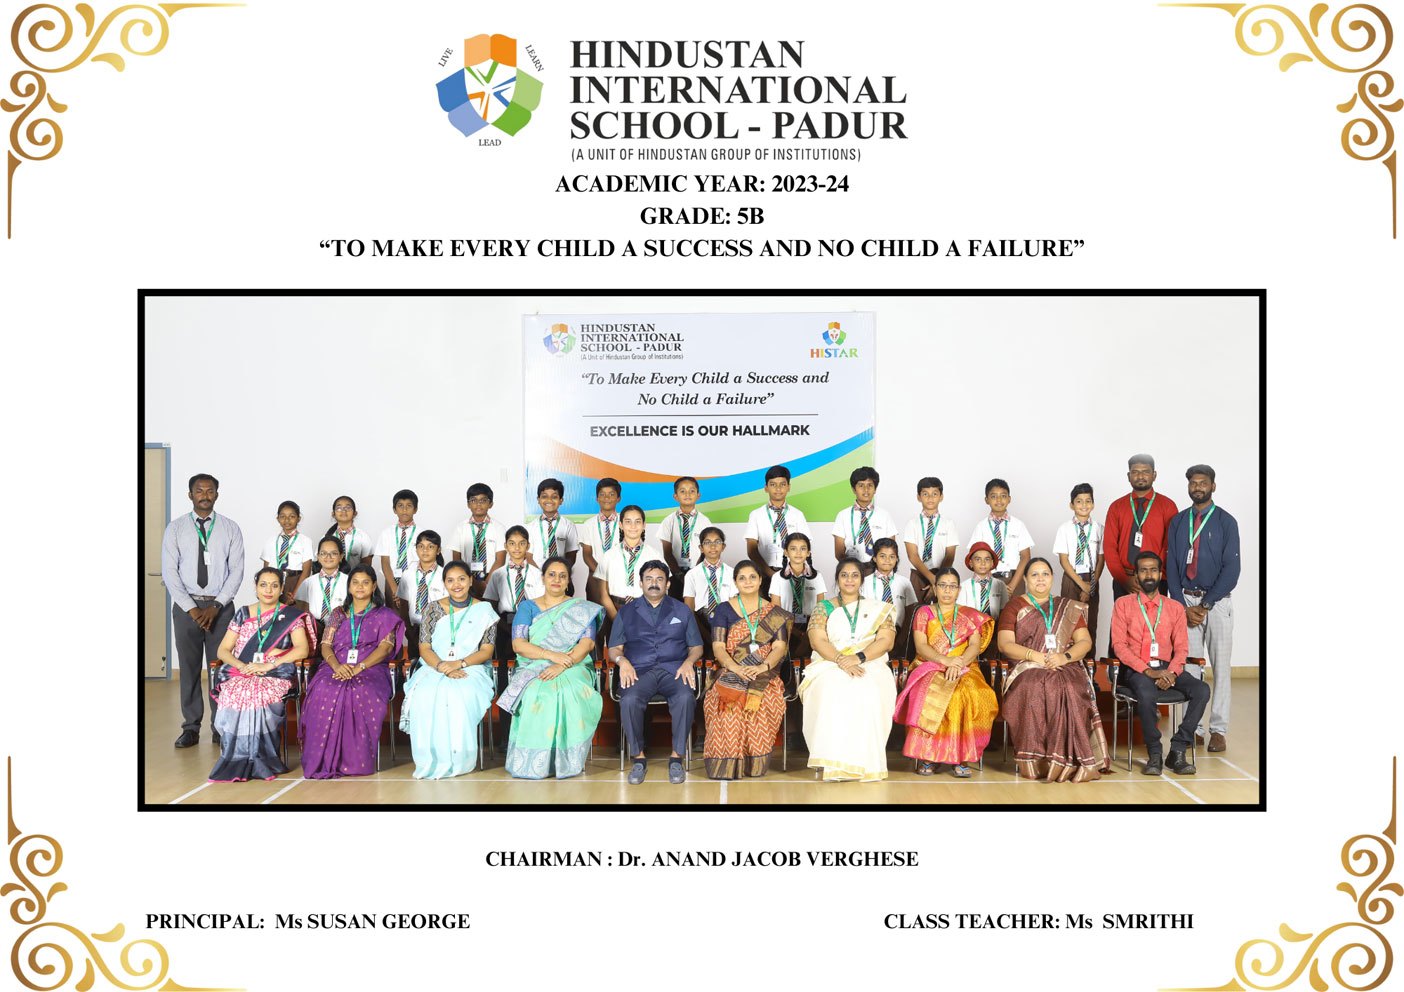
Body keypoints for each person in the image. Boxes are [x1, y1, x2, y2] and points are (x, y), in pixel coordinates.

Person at [996, 558, 1108, 782]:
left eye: (1045, 574)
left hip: (1064, 664)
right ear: (1025, 579)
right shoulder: (1014, 606)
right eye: (1034, 574)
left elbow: (1085, 642)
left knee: (1070, 687)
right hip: (1027, 665)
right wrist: (1035, 656)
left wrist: (1064, 658)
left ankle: (1073, 760)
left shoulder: (1067, 606)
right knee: (1033, 686)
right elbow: (1004, 644)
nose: (1040, 579)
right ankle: (1035, 761)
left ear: (1052, 578)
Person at [160, 473, 245, 748]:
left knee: (221, 668)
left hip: (221, 609)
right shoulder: (175, 529)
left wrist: (217, 605)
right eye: (199, 491)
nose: (205, 495)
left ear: (217, 495)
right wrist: (192, 609)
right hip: (187, 608)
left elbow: (237, 571)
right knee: (189, 668)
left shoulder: (230, 528)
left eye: (210, 491)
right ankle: (191, 727)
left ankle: (221, 726)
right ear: (190, 495)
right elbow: (170, 572)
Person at [208, 568, 316, 782]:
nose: (269, 590)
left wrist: (269, 665)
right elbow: (223, 650)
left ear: (282, 588)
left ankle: (263, 760)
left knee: (258, 695)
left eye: (274, 585)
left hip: (275, 672)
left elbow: (302, 649)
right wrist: (242, 666)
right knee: (236, 693)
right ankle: (236, 758)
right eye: (263, 585)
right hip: (242, 671)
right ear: (255, 587)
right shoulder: (243, 613)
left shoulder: (290, 615)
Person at [500, 556, 604, 779]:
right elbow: (519, 645)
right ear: (543, 578)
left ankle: (565, 761)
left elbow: (586, 644)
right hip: (534, 664)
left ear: (568, 581)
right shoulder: (527, 607)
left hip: (573, 664)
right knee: (536, 691)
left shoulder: (581, 608)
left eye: (562, 576)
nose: (557, 579)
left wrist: (562, 664)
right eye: (552, 575)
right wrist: (551, 656)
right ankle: (536, 762)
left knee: (569, 689)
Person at [300, 563, 406, 779]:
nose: (360, 586)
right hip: (335, 666)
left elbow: (385, 648)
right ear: (348, 587)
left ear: (374, 586)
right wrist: (337, 666)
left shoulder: (384, 615)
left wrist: (360, 667)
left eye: (365, 582)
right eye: (355, 582)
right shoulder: (338, 614)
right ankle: (322, 760)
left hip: (371, 668)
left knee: (359, 690)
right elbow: (325, 645)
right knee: (323, 688)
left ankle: (355, 760)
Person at [799, 558, 898, 782]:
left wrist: (858, 658)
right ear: (837, 579)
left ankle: (865, 763)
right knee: (832, 687)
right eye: (844, 575)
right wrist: (841, 660)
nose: (849, 580)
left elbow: (886, 640)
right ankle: (833, 762)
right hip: (830, 662)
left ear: (862, 579)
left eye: (855, 575)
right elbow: (817, 640)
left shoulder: (877, 608)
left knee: (869, 688)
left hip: (869, 661)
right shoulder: (824, 607)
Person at [1110, 552, 1208, 775]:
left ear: (1160, 574)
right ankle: (1155, 753)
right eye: (1143, 570)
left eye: (1153, 570)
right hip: (1137, 669)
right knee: (1146, 692)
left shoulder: (1174, 607)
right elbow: (1119, 646)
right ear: (1136, 575)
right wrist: (1147, 671)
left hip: (1167, 667)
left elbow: (1181, 648)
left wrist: (1171, 673)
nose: (1149, 575)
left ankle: (1178, 749)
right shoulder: (1123, 604)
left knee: (1202, 690)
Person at [399, 560, 498, 779]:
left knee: (457, 693)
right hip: (434, 666)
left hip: (471, 666)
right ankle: (430, 758)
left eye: (462, 579)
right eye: (450, 580)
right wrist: (443, 667)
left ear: (470, 580)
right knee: (424, 694)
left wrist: (459, 664)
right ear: (444, 583)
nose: (457, 585)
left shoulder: (484, 610)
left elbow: (486, 651)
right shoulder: (432, 609)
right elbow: (424, 647)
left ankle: (459, 757)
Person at [1165, 464, 1241, 752]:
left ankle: (1218, 730)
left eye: (1203, 482)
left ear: (1213, 486)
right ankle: (1192, 728)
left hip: (1217, 604)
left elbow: (1232, 569)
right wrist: (1181, 606)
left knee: (1220, 668)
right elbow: (1172, 567)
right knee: (1189, 668)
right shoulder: (1178, 521)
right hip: (1185, 602)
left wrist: (1206, 605)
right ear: (1188, 487)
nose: (1198, 487)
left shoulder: (1226, 522)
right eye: (1193, 483)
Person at [894, 567, 997, 777]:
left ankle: (961, 757)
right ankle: (929, 756)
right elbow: (921, 646)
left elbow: (974, 646)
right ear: (935, 588)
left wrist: (957, 665)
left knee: (968, 694)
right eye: (942, 585)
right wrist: (945, 661)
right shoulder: (924, 613)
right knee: (929, 691)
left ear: (959, 590)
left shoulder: (970, 615)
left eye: (952, 586)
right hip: (929, 664)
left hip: (965, 666)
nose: (947, 591)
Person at [610, 561, 705, 784]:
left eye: (660, 579)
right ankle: (638, 758)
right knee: (629, 700)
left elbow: (697, 647)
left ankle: (676, 757)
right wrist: (622, 661)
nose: (654, 583)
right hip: (639, 671)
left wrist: (689, 662)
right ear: (641, 583)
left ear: (668, 584)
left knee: (685, 698)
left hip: (674, 670)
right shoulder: (626, 612)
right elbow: (614, 648)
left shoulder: (682, 610)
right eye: (649, 579)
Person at [703, 561, 792, 779]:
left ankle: (753, 764)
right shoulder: (723, 609)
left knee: (764, 701)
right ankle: (725, 765)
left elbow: (780, 647)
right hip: (731, 670)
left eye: (753, 577)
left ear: (760, 580)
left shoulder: (774, 613)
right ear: (735, 582)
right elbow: (718, 647)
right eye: (742, 578)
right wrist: (735, 668)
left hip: (764, 673)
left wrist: (763, 666)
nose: (748, 582)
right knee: (725, 701)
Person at [481, 525, 544, 744]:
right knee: (505, 680)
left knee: (529, 676)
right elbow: (490, 606)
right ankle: (507, 737)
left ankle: (529, 735)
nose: (517, 548)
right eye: (512, 543)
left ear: (528, 546)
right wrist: (505, 628)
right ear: (505, 546)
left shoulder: (538, 574)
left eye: (521, 543)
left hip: (531, 629)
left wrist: (527, 631)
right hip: (504, 628)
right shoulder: (498, 575)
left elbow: (542, 606)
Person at [1104, 454, 1178, 600]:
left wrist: (1151, 574)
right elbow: (1109, 546)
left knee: (1155, 616)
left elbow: (1169, 545)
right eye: (1135, 472)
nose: (1140, 476)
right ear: (1128, 476)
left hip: (1156, 580)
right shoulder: (1116, 507)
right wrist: (1124, 579)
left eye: (1145, 472)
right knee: (1123, 615)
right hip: (1124, 579)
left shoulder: (1167, 506)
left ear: (1154, 475)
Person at [592, 504, 663, 629]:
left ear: (644, 525)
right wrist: (617, 621)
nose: (633, 526)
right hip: (614, 610)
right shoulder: (609, 555)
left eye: (637, 522)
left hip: (646, 611)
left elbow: (662, 591)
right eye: (628, 522)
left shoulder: (655, 555)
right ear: (620, 525)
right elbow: (603, 595)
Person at [1053, 483, 1105, 649]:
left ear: (1093, 504)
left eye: (1088, 501)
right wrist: (1082, 585)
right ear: (1071, 505)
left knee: (1091, 623)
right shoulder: (1064, 529)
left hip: (1092, 578)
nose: (1084, 505)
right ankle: (1070, 662)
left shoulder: (1099, 528)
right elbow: (1063, 560)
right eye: (1079, 501)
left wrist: (1091, 585)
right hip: (1071, 578)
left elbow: (1101, 559)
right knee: (1069, 623)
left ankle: (1089, 663)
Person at [967, 479, 1034, 596]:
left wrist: (1012, 586)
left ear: (1009, 499)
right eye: (994, 496)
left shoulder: (1018, 525)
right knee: (989, 608)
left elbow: (1025, 557)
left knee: (1015, 608)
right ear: (986, 500)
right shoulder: (981, 527)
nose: (999, 500)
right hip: (988, 578)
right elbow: (974, 556)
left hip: (1015, 578)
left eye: (1003, 496)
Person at [745, 465, 811, 584]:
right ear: (766, 488)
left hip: (793, 574)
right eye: (773, 484)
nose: (778, 488)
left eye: (782, 484)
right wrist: (770, 574)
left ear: (789, 487)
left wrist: (797, 571)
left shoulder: (797, 515)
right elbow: (751, 550)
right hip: (764, 574)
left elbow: (806, 545)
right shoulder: (756, 515)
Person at [767, 531, 825, 662]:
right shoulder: (777, 578)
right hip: (786, 625)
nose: (798, 553)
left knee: (809, 660)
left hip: (810, 624)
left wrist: (810, 630)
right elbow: (776, 610)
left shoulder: (817, 576)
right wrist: (794, 631)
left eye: (803, 549)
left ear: (808, 553)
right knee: (788, 661)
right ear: (786, 552)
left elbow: (820, 608)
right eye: (793, 549)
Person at [903, 476, 960, 602]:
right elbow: (912, 555)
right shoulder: (912, 524)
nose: (930, 498)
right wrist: (932, 579)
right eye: (925, 494)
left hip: (942, 574)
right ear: (918, 497)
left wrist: (939, 579)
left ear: (941, 497)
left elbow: (950, 555)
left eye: (934, 494)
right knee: (917, 610)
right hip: (919, 574)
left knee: (942, 610)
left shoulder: (948, 524)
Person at [832, 465, 898, 571]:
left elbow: (891, 548)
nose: (866, 489)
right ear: (854, 489)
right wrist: (854, 569)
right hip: (852, 570)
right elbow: (839, 552)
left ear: (875, 489)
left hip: (878, 570)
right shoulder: (843, 515)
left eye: (870, 485)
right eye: (861, 485)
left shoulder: (885, 516)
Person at [657, 476, 711, 599]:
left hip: (698, 571)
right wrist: (678, 574)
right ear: (675, 496)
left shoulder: (705, 522)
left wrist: (695, 572)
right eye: (682, 491)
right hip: (675, 573)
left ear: (698, 495)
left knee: (696, 606)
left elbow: (707, 551)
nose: (687, 494)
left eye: (692, 491)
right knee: (675, 606)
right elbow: (667, 552)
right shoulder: (668, 521)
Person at [397, 530, 446, 665]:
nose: (425, 550)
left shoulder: (444, 575)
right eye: (421, 546)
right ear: (416, 549)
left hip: (437, 629)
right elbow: (403, 606)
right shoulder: (408, 574)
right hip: (414, 629)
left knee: (436, 664)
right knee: (415, 664)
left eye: (430, 546)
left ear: (438, 550)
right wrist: (408, 630)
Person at [448, 483, 506, 593]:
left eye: (483, 500)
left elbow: (500, 560)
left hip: (492, 578)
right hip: (467, 579)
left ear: (491, 504)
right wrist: (471, 581)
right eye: (473, 500)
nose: (478, 504)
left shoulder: (499, 528)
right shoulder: (460, 528)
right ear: (468, 504)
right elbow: (456, 559)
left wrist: (487, 584)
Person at [682, 526, 738, 641]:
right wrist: (702, 634)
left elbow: (734, 605)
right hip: (699, 620)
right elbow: (689, 609)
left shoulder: (732, 573)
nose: (713, 546)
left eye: (717, 542)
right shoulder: (692, 574)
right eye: (707, 542)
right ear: (701, 548)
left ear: (723, 547)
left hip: (725, 619)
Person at [958, 542, 1009, 667]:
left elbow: (1004, 611)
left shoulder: (1000, 585)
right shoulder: (963, 586)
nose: (982, 563)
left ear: (992, 563)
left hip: (994, 629)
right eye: (978, 559)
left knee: (992, 659)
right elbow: (961, 613)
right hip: (971, 630)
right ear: (971, 563)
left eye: (987, 559)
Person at [374, 489, 421, 611]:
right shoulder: (386, 533)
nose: (404, 510)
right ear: (394, 509)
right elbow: (385, 563)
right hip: (391, 580)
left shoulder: (422, 534)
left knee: (413, 614)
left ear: (415, 509)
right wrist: (395, 588)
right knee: (394, 615)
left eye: (409, 506)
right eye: (400, 506)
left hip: (415, 580)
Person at [530, 478, 580, 591]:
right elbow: (528, 557)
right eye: (544, 496)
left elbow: (571, 556)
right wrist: (543, 575)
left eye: (554, 497)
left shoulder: (568, 525)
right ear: (538, 499)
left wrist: (560, 574)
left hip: (560, 580)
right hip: (537, 579)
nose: (549, 500)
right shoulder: (531, 527)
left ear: (561, 500)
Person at [260, 500, 314, 605]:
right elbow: (265, 570)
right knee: (273, 612)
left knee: (294, 613)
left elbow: (306, 571)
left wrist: (295, 594)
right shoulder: (271, 541)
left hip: (295, 582)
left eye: (292, 516)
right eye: (283, 516)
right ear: (278, 519)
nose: (287, 520)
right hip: (274, 583)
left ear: (298, 518)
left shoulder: (305, 541)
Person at [579, 477, 623, 577]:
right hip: (596, 576)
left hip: (620, 575)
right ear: (597, 498)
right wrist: (601, 575)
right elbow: (587, 555)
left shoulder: (625, 522)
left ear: (618, 498)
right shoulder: (588, 524)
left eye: (611, 494)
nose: (606, 498)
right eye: (602, 494)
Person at [302, 535, 349, 627]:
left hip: (341, 627)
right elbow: (300, 609)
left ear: (341, 556)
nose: (328, 557)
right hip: (313, 628)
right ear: (318, 557)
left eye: (334, 553)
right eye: (323, 553)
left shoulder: (349, 582)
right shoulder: (307, 583)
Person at [324, 495, 375, 572]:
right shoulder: (325, 538)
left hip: (355, 578)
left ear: (355, 513)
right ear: (333, 514)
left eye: (348, 508)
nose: (343, 511)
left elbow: (366, 567)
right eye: (339, 508)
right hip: (332, 578)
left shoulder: (363, 537)